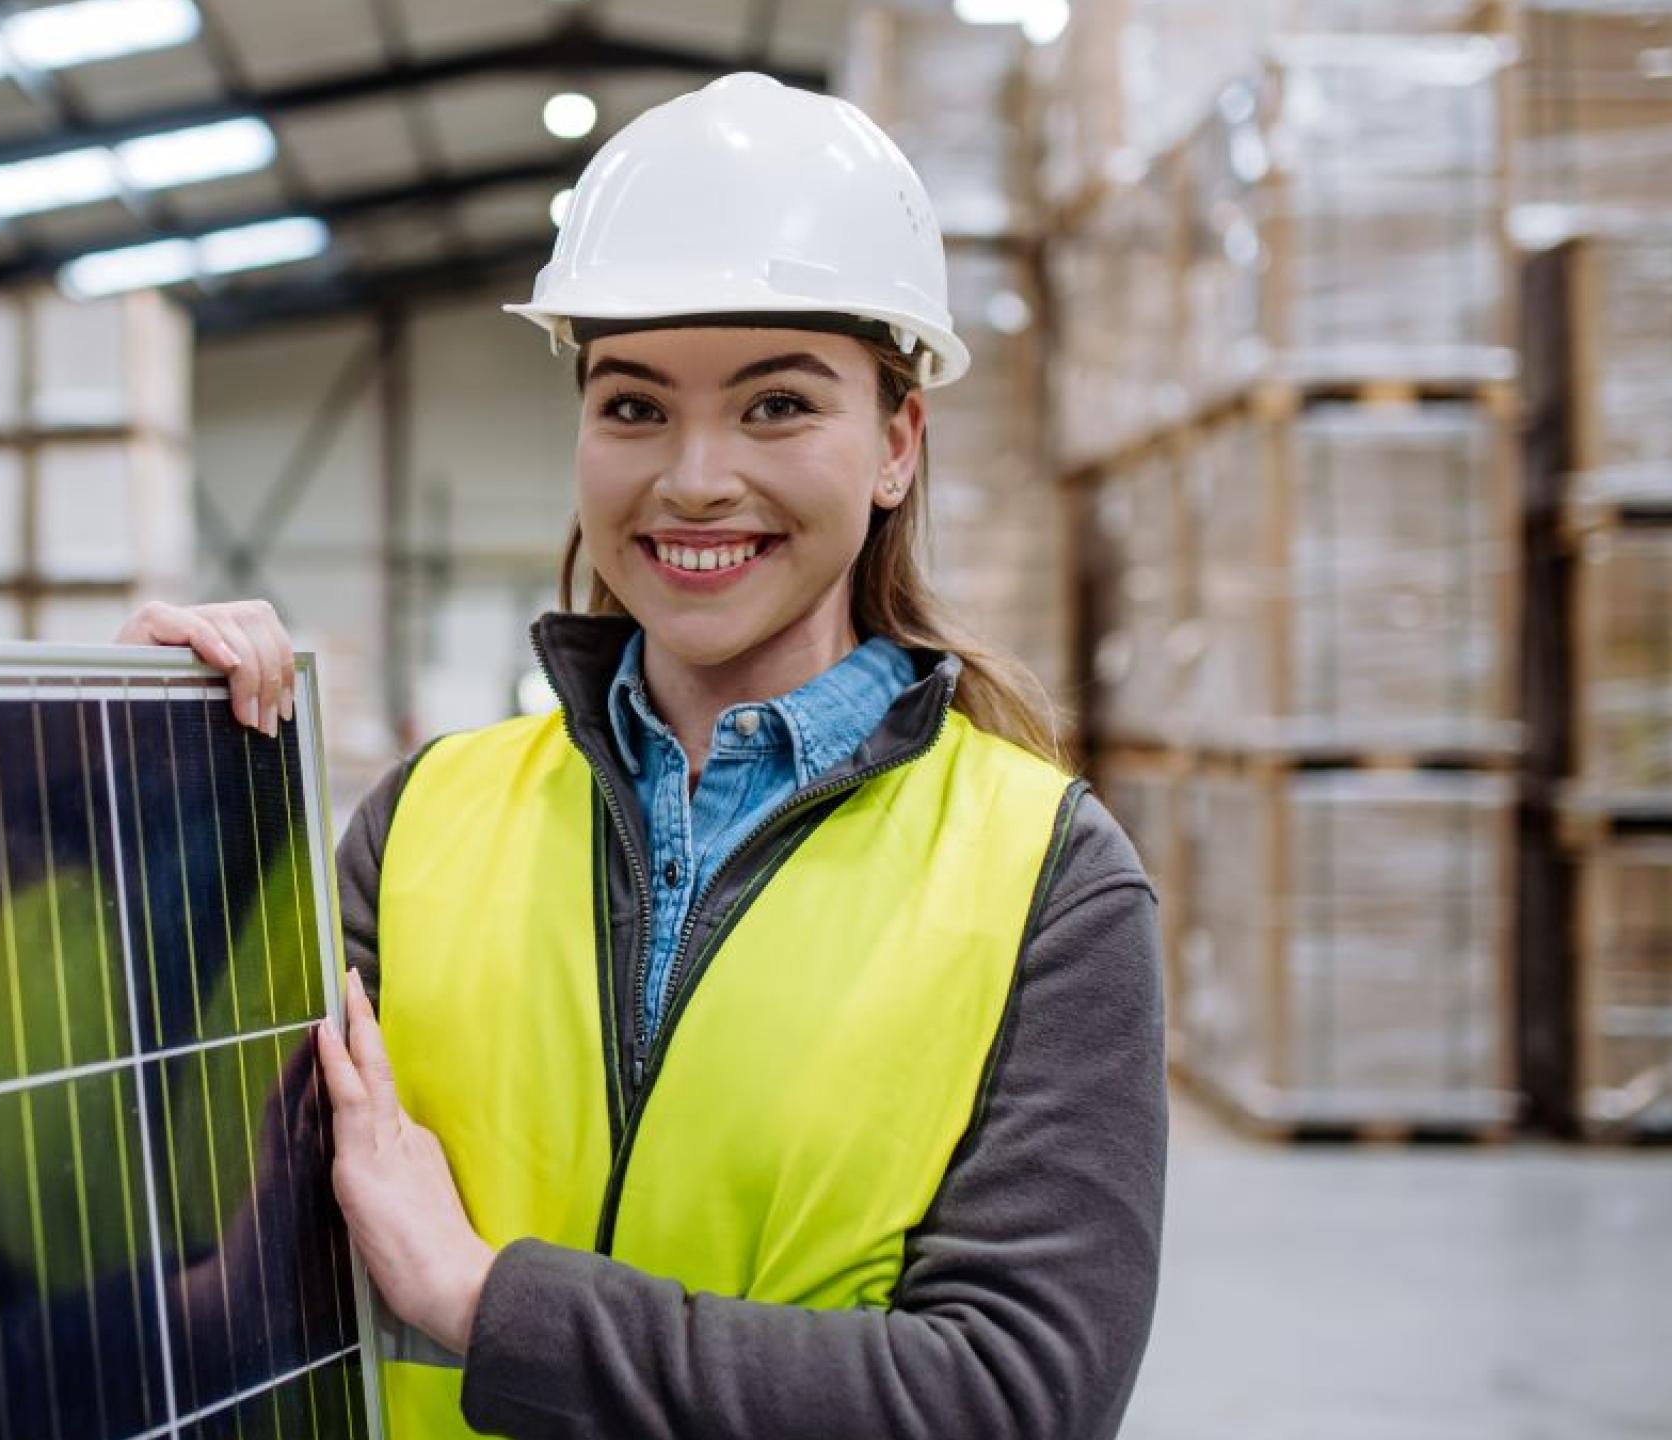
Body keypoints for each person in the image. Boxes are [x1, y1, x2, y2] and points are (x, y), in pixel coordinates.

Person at [120, 72, 1165, 1440]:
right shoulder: (426, 821)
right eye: (633, 406)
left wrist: (488, 1301)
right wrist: (156, 776)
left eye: (778, 404)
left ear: (897, 442)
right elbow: (230, 1273)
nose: (692, 478)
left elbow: (1010, 1396)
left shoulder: (1047, 880)